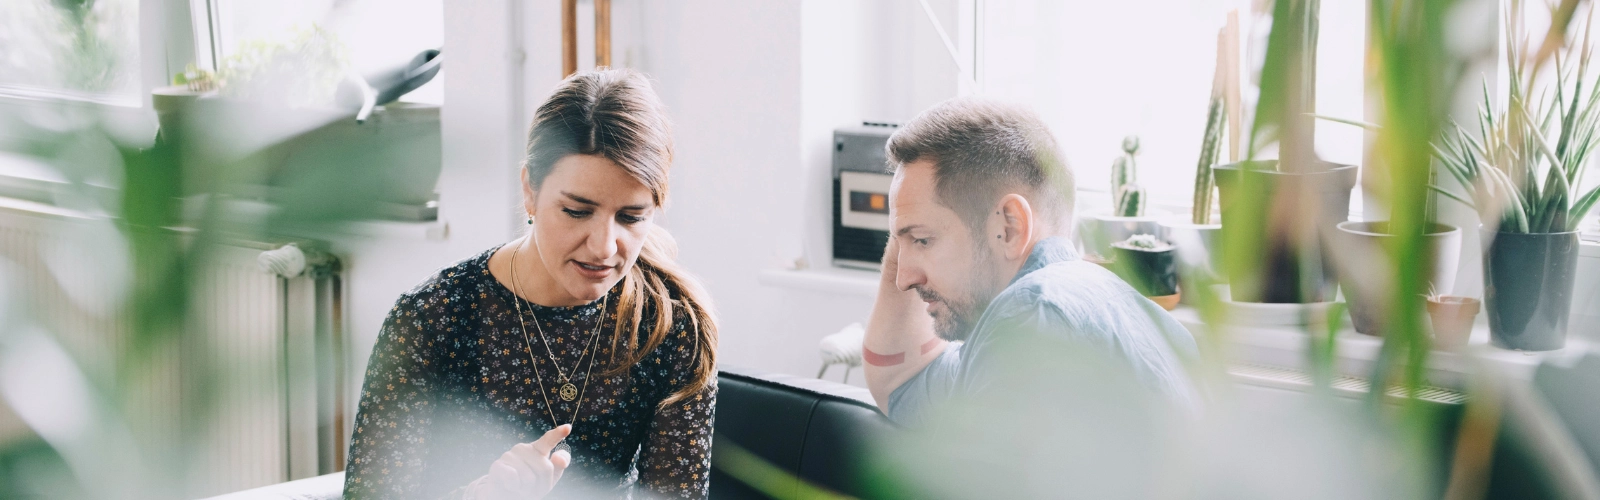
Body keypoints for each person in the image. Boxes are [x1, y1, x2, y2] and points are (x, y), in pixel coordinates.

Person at [343, 69, 718, 499]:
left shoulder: (672, 323)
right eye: (577, 211)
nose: (603, 247)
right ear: (529, 191)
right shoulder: (433, 316)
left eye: (631, 217)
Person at [862, 97, 1199, 426]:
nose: (903, 278)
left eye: (923, 240)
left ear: (1009, 227)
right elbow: (902, 384)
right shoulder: (1150, 323)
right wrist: (906, 226)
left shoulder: (1031, 317)